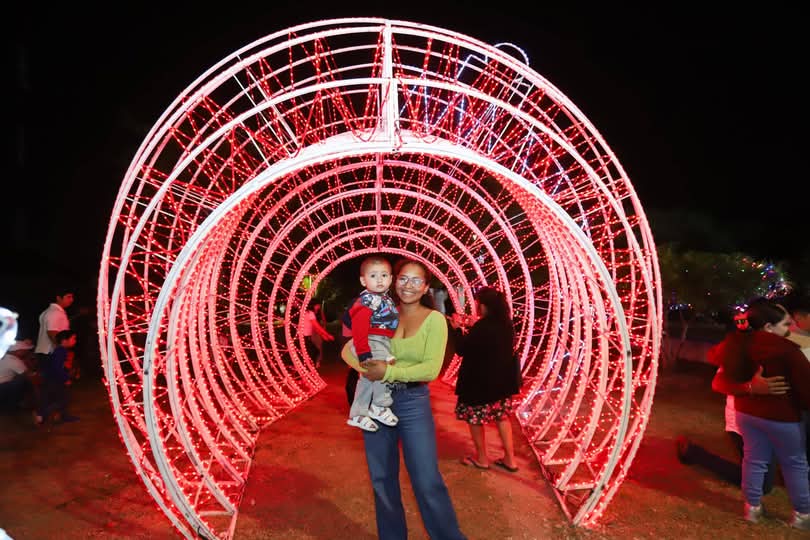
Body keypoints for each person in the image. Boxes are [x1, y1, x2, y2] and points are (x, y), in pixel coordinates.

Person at [342, 257, 466, 540]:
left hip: (413, 403)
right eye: (402, 279)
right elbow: (351, 349)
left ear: (425, 288)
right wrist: (365, 368)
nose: (408, 285)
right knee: (382, 480)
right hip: (377, 404)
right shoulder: (382, 313)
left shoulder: (435, 320)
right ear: (393, 282)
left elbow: (430, 369)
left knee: (426, 480)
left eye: (416, 280)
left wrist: (386, 371)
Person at [713, 300, 810, 528]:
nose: (789, 329)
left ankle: (752, 509)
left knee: (754, 461)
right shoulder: (787, 351)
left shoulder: (737, 344)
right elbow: (806, 389)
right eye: (785, 324)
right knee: (795, 463)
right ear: (768, 326)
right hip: (783, 418)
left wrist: (747, 388)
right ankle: (803, 515)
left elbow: (719, 371)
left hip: (746, 415)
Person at [449, 286, 520, 472]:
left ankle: (482, 459)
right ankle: (510, 460)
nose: (477, 307)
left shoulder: (482, 327)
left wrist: (456, 329)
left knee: (475, 419)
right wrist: (474, 325)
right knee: (502, 417)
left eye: (479, 304)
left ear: (486, 306)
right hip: (501, 384)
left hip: (478, 385)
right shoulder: (506, 325)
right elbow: (489, 342)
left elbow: (462, 349)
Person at [343, 256, 399, 432]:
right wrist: (363, 352)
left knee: (367, 380)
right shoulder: (368, 300)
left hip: (381, 341)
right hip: (371, 341)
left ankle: (358, 413)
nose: (380, 280)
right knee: (380, 372)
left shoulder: (384, 298)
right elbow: (359, 327)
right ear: (363, 280)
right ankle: (379, 405)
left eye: (384, 275)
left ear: (391, 279)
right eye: (373, 276)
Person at [36, 329, 80, 424]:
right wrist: (65, 379)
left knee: (62, 398)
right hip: (54, 380)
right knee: (62, 400)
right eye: (73, 338)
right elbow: (57, 367)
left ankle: (63, 416)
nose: (75, 341)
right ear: (64, 341)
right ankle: (41, 414)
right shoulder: (61, 351)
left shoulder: (60, 351)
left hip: (53, 379)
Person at [34, 289, 74, 371]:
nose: (71, 300)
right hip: (50, 353)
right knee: (54, 381)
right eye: (68, 297)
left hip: (47, 352)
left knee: (51, 380)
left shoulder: (50, 311)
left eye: (72, 297)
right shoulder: (55, 312)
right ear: (58, 298)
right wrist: (62, 352)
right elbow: (52, 333)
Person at [0, 340, 36, 412]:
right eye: (25, 350)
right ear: (18, 351)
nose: (27, 352)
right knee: (23, 380)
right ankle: (10, 406)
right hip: (2, 389)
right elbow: (29, 374)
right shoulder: (14, 360)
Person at [301, 299, 333, 367]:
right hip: (305, 337)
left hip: (304, 337)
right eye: (318, 305)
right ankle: (309, 368)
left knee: (313, 352)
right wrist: (327, 335)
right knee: (313, 352)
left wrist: (324, 335)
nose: (319, 306)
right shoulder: (310, 313)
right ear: (314, 305)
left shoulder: (307, 312)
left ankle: (309, 367)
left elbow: (315, 328)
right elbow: (317, 326)